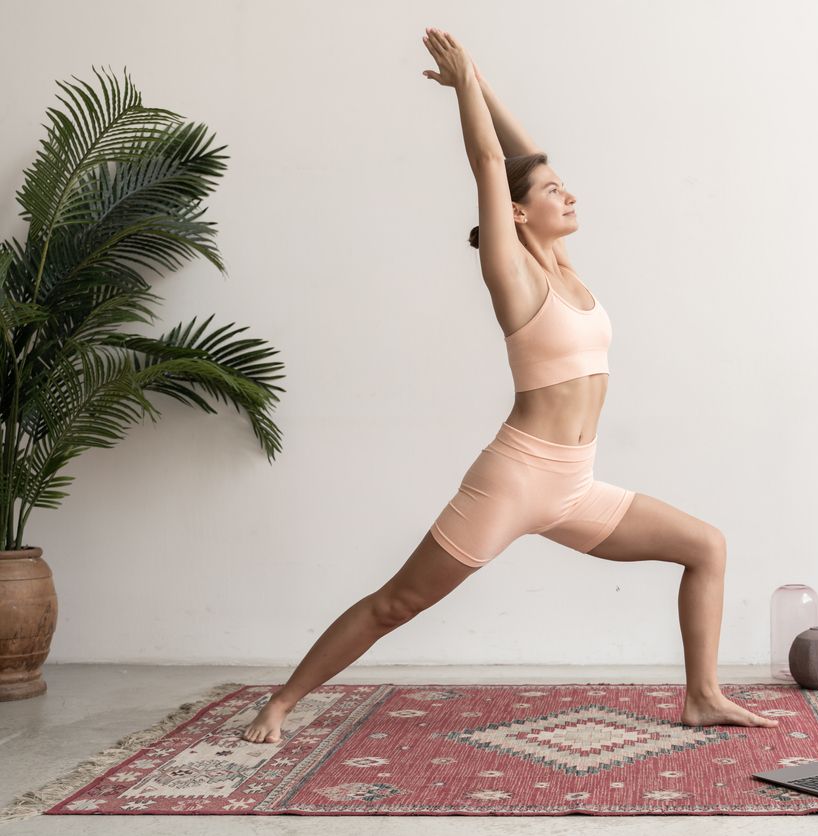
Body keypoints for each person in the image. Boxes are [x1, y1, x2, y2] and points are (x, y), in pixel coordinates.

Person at [242, 26, 778, 744]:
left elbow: (525, 158)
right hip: (516, 478)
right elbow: (493, 163)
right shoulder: (513, 272)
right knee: (396, 603)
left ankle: (702, 695)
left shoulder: (564, 267)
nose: (568, 192)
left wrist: (480, 79)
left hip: (576, 487)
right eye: (553, 192)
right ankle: (280, 702)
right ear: (517, 212)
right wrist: (464, 87)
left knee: (704, 546)